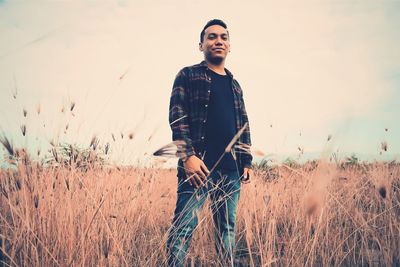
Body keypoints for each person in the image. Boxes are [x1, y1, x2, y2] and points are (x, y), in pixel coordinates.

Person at [166, 19, 253, 266]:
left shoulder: (235, 85)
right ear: (201, 44)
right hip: (198, 169)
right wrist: (188, 157)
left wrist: (246, 161)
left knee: (226, 232)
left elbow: (243, 125)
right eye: (212, 37)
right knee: (183, 229)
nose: (218, 41)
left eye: (223, 37)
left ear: (229, 45)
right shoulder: (188, 75)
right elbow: (177, 116)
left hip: (230, 170)